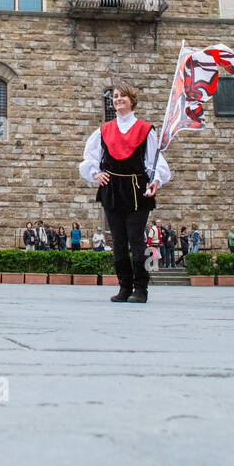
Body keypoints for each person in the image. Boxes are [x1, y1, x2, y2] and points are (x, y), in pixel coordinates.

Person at [79, 80, 170, 304]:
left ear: (132, 101)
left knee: (136, 240)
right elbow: (89, 158)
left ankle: (141, 288)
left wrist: (156, 179)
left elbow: (155, 160)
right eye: (115, 96)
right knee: (118, 241)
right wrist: (95, 173)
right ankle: (124, 286)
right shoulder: (103, 130)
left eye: (123, 96)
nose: (118, 99)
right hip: (112, 189)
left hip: (137, 190)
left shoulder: (145, 129)